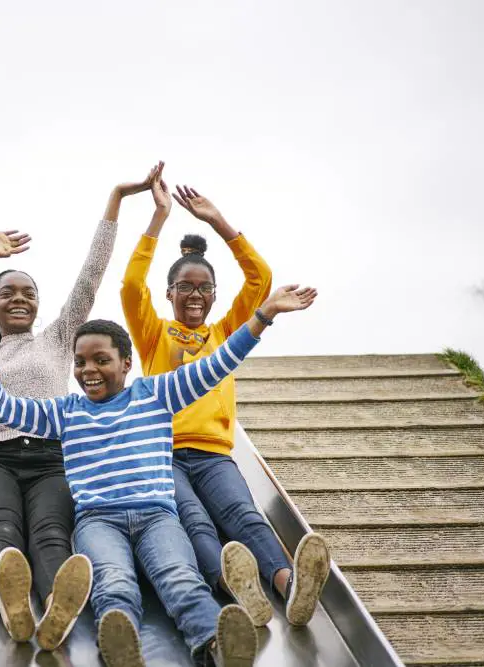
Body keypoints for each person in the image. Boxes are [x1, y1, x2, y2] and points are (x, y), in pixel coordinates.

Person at [0, 281, 317, 667]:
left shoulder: (155, 394)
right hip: (98, 522)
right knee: (113, 585)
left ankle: (217, 645)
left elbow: (218, 364)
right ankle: (121, 649)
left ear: (126, 364)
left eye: (101, 360)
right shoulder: (66, 411)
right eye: (80, 363)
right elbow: (5, 409)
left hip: (157, 517)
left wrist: (263, 315)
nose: (89, 370)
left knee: (180, 579)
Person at [0, 164, 162, 650]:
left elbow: (92, 275)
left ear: (38, 305)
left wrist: (116, 198)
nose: (18, 299)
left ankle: (57, 608)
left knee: (52, 535)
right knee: (5, 530)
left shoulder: (59, 338)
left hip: (55, 457)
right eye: (7, 293)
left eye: (28, 294)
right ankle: (15, 610)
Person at [120, 168, 330, 627]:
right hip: (163, 453)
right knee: (193, 521)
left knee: (244, 515)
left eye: (204, 288)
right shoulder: (154, 334)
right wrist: (158, 218)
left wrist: (221, 223)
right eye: (186, 288)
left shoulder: (224, 333)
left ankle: (288, 587)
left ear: (214, 295)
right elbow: (131, 286)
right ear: (170, 293)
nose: (195, 295)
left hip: (214, 454)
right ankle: (236, 590)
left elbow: (261, 279)